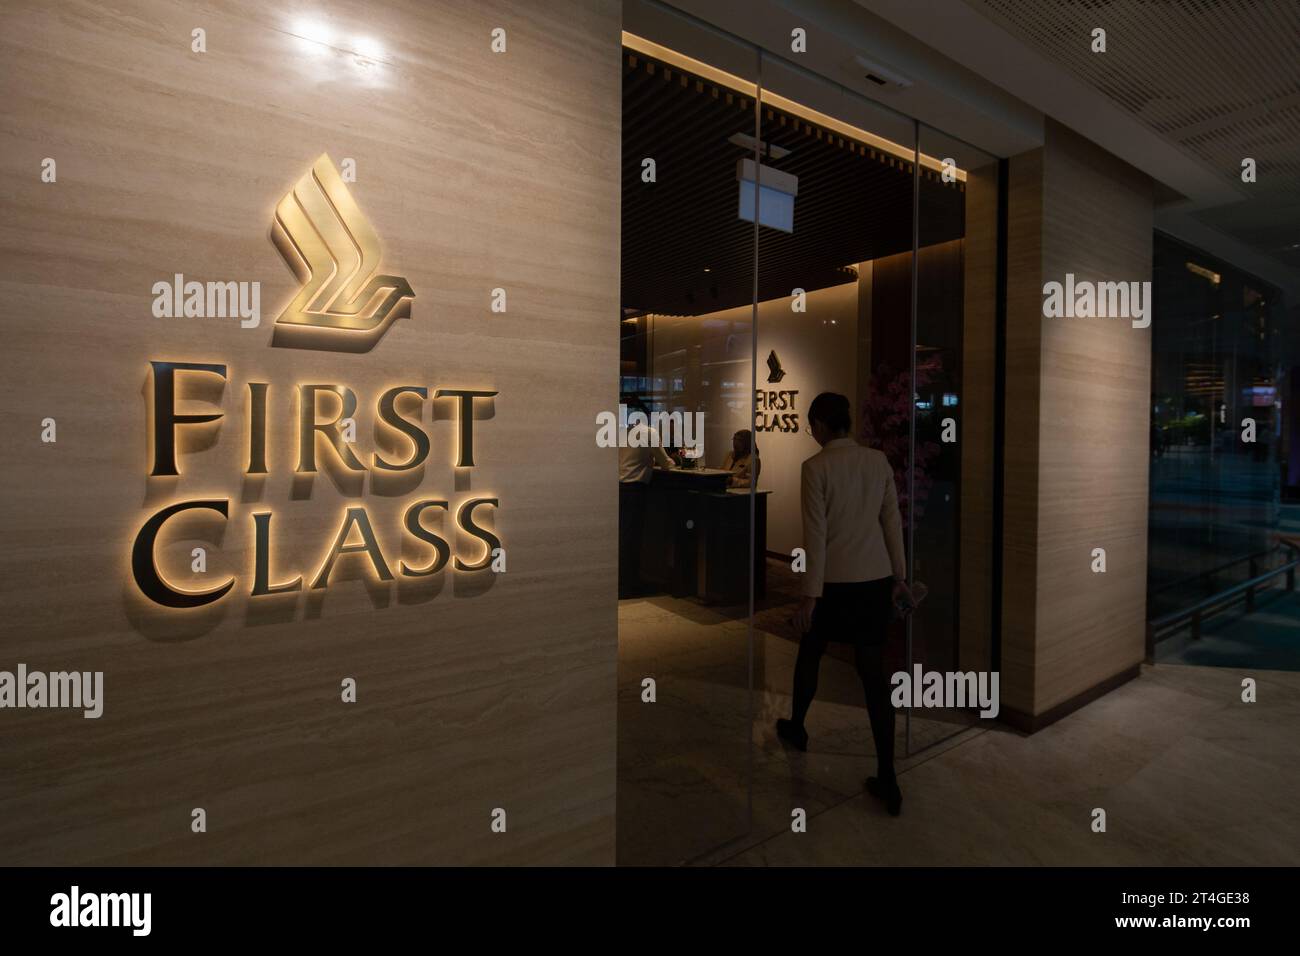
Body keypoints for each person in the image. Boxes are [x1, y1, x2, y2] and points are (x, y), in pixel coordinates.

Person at [776, 391, 913, 816]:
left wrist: (809, 598)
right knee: (875, 679)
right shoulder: (877, 462)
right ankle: (887, 777)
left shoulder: (814, 467)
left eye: (809, 424)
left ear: (819, 424)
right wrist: (899, 578)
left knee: (810, 655)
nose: (809, 431)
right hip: (873, 582)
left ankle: (797, 728)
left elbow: (815, 538)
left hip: (834, 585)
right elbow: (892, 522)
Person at [618, 397, 673, 598]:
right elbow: (666, 464)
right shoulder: (649, 433)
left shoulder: (620, 433)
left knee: (623, 537)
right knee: (631, 538)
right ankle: (629, 585)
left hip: (619, 489)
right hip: (635, 490)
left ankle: (623, 582)